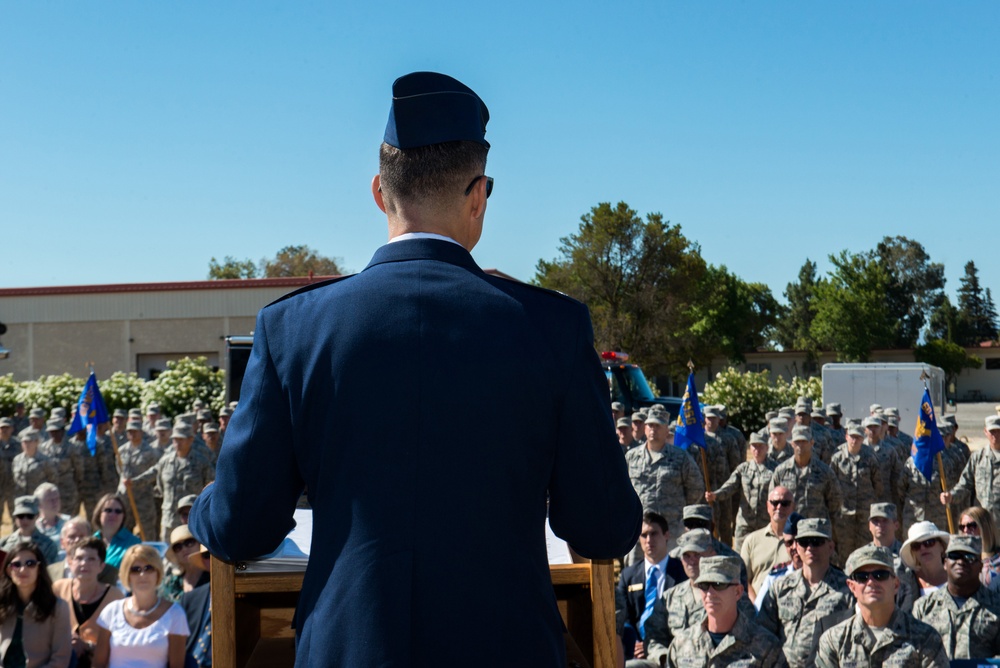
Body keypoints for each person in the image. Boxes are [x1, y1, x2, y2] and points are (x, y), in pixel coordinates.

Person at [188, 71, 642, 668]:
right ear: (479, 194)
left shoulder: (293, 328)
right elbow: (604, 527)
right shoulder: (552, 328)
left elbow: (240, 526)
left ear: (379, 191)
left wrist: (204, 505)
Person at [816, 544, 948, 667]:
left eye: (880, 575)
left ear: (895, 584)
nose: (871, 582)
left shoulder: (925, 638)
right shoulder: (834, 641)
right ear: (852, 587)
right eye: (862, 577)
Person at [757, 518, 853, 668]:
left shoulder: (847, 590)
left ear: (831, 546)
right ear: (796, 546)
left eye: (817, 541)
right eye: (804, 542)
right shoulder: (780, 587)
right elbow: (763, 633)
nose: (810, 548)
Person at [664, 556, 786, 667]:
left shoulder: (766, 646)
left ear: (737, 592)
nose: (710, 593)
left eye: (718, 584)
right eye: (704, 585)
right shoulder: (681, 644)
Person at [93, 545, 189, 668]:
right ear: (127, 575)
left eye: (149, 568)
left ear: (158, 572)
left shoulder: (175, 614)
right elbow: (98, 665)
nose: (142, 574)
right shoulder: (111, 611)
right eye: (135, 569)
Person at [912, 534, 1000, 661]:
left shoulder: (996, 605)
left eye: (969, 557)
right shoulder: (923, 607)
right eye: (954, 556)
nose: (961, 562)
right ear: (945, 563)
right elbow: (913, 654)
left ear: (981, 566)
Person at [615, 512, 685, 666]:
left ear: (666, 535)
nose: (649, 540)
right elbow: (624, 617)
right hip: (635, 650)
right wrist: (635, 642)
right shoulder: (629, 575)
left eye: (654, 534)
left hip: (670, 647)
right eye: (644, 535)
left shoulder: (681, 572)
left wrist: (651, 645)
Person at [52, 538, 124, 668]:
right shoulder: (58, 589)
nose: (84, 563)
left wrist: (87, 646)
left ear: (101, 566)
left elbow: (121, 643)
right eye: (79, 558)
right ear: (71, 562)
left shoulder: (115, 597)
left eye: (91, 559)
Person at [0, 543, 73, 668]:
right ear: (9, 570)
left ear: (39, 569)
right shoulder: (2, 603)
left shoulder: (58, 607)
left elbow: (61, 659)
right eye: (16, 565)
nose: (23, 569)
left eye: (30, 564)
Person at [705, 432, 776, 551]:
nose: (757, 450)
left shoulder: (775, 470)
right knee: (740, 560)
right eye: (754, 446)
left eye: (760, 446)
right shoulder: (743, 469)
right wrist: (715, 495)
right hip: (745, 525)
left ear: (767, 447)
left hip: (765, 525)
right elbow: (729, 486)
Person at [828, 424, 883, 560]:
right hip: (844, 516)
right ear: (846, 436)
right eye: (852, 437)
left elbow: (878, 485)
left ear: (863, 438)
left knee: (865, 552)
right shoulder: (837, 458)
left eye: (858, 437)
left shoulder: (870, 457)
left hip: (865, 515)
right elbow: (831, 486)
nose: (854, 440)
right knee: (844, 553)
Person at [942, 416, 1000, 529]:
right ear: (985, 432)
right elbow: (965, 484)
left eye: (998, 431)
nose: (995, 435)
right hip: (981, 522)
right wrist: (951, 496)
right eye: (992, 431)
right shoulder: (978, 457)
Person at [740, 486, 794, 600]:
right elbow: (743, 580)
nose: (779, 507)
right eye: (774, 503)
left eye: (785, 503)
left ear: (793, 507)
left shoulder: (801, 543)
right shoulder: (752, 541)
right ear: (768, 506)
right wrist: (756, 606)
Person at [896, 521, 950, 613]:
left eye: (929, 542)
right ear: (913, 552)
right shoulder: (903, 584)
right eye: (916, 546)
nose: (923, 548)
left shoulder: (958, 578)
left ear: (941, 546)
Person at [0, 497, 60, 566]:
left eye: (30, 516)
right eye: (21, 516)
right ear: (15, 518)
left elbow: (53, 571)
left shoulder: (49, 545)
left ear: (37, 516)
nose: (25, 520)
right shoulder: (3, 543)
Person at [158, 526, 209, 603]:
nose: (184, 549)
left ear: (199, 544)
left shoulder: (212, 578)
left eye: (189, 542)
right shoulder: (170, 582)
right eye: (178, 547)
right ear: (175, 554)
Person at [91, 495, 140, 571]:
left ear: (123, 516)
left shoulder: (134, 543)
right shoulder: (91, 541)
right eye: (108, 510)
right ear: (99, 513)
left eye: (118, 511)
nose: (113, 514)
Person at [33, 484, 70, 555]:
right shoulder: (33, 527)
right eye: (50, 500)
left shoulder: (69, 523)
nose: (55, 502)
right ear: (39, 504)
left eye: (57, 498)